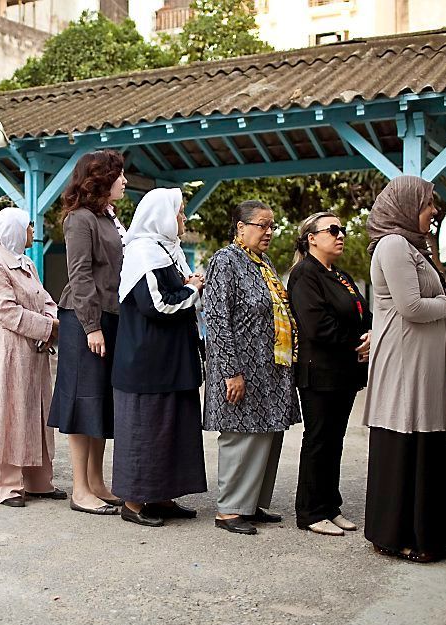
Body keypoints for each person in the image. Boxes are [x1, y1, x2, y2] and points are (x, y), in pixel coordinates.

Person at [362, 175, 446, 562]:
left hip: (421, 367)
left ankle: (424, 533)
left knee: (423, 442)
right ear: (406, 206)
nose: (433, 211)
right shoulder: (393, 245)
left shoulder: (413, 247)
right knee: (405, 440)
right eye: (427, 204)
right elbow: (412, 307)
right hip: (404, 366)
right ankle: (396, 533)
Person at [203, 200, 301, 536]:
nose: (269, 232)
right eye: (262, 225)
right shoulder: (225, 261)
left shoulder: (263, 263)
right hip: (241, 366)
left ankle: (252, 503)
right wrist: (231, 370)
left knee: (266, 436)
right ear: (240, 227)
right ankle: (230, 510)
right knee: (240, 436)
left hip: (268, 367)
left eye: (272, 225)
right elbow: (216, 318)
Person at [111, 189, 207, 527]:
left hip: (173, 358)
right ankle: (134, 503)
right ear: (161, 216)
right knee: (145, 430)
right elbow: (157, 305)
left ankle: (164, 495)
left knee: (173, 428)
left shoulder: (170, 251)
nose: (183, 219)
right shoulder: (142, 252)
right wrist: (193, 290)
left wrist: (190, 286)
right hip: (147, 362)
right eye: (179, 213)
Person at [48, 149, 127, 515]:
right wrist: (91, 326)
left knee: (100, 403)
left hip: (110, 316)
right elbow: (78, 274)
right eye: (119, 175)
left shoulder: (107, 217)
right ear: (101, 179)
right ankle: (79, 489)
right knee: (83, 403)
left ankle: (96, 482)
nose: (124, 181)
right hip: (84, 320)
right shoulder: (79, 220)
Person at [287, 212, 371, 536]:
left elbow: (361, 312)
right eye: (333, 230)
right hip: (318, 372)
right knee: (319, 439)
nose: (340, 235)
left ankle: (330, 506)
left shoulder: (340, 275)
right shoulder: (305, 274)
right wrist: (356, 342)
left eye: (343, 229)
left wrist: (371, 332)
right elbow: (317, 326)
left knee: (335, 440)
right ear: (312, 238)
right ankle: (310, 511)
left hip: (344, 372)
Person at [0, 207, 64, 507]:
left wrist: (52, 320)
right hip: (8, 355)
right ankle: (9, 486)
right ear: (14, 229)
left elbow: (44, 297)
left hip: (34, 351)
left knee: (37, 414)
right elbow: (6, 311)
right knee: (10, 416)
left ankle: (40, 481)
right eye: (28, 226)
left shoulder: (26, 262)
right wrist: (48, 327)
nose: (32, 231)